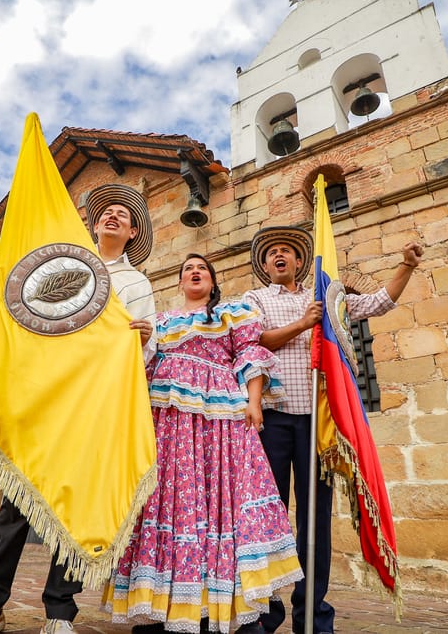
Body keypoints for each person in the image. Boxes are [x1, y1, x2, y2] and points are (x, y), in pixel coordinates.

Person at [0, 184, 157, 634]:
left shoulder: (137, 284)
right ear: (94, 226)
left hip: (93, 405)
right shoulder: (61, 266)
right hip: (44, 400)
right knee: (15, 506)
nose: (112, 217)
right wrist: (1, 276)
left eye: (122, 214)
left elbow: (142, 352)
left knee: (77, 507)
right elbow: (24, 312)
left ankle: (59, 613)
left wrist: (141, 339)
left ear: (133, 231)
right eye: (105, 213)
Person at [104, 253, 303, 634]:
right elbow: (140, 364)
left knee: (219, 506)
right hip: (167, 417)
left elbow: (249, 354)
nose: (195, 272)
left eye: (203, 269)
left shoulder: (232, 314)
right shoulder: (161, 322)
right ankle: (159, 607)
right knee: (169, 505)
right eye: (187, 270)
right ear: (179, 283)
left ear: (212, 282)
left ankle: (220, 607)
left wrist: (254, 401)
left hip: (220, 418)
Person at [242, 226, 422, 634]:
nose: (279, 256)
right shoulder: (255, 299)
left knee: (315, 519)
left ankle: (312, 614)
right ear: (265, 265)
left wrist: (405, 267)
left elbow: (376, 304)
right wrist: (305, 324)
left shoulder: (324, 295)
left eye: (286, 251)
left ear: (301, 261)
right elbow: (254, 341)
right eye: (272, 254)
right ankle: (265, 613)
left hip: (318, 424)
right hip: (271, 419)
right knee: (266, 519)